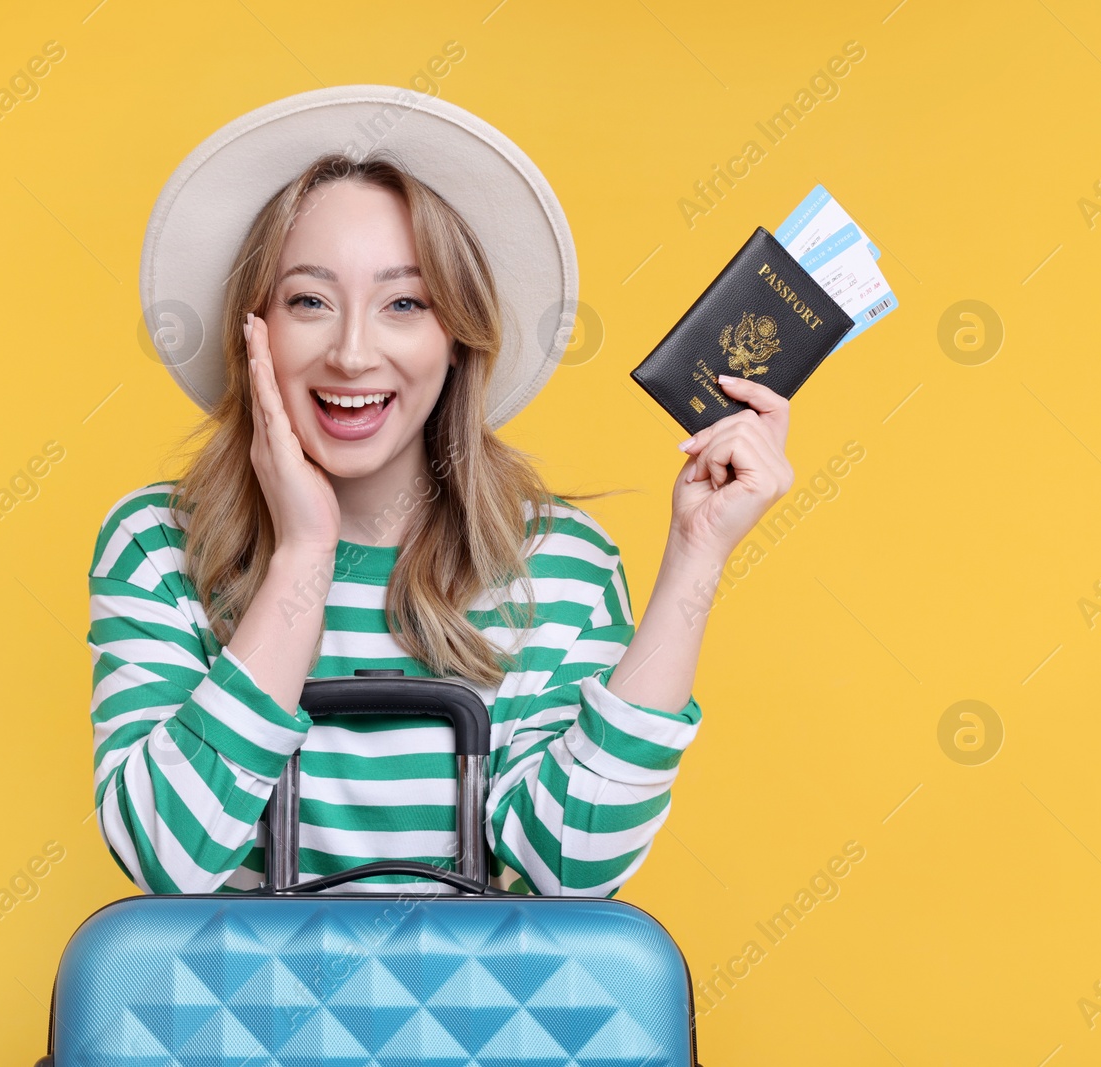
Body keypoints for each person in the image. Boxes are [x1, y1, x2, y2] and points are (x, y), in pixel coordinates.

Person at [89, 87, 795, 896]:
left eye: (405, 303)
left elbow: (570, 867)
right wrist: (304, 555)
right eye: (309, 300)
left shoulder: (555, 562)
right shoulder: (156, 544)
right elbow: (162, 858)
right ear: (255, 330)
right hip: (234, 1017)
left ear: (456, 337)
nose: (353, 353)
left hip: (473, 1020)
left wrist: (695, 557)